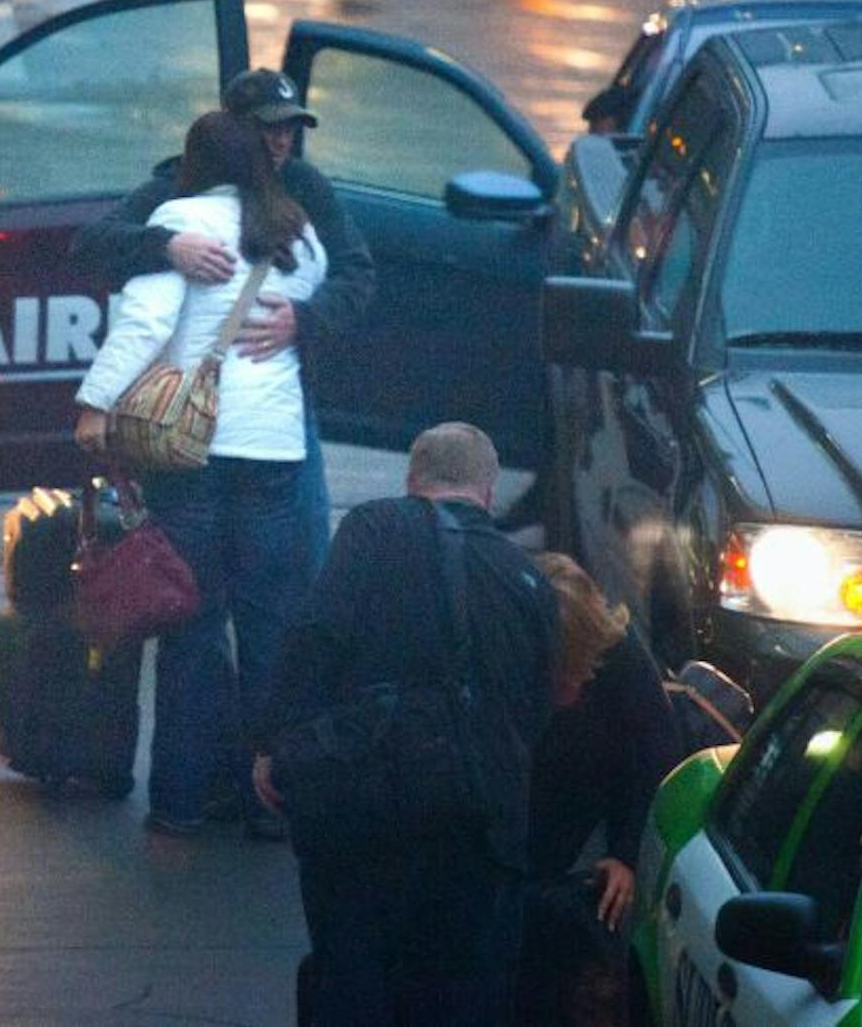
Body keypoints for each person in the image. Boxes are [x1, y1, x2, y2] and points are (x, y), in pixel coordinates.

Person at [73, 110, 328, 838]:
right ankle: (272, 805)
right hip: (276, 451)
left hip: (196, 449)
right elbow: (307, 300)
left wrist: (95, 403)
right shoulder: (299, 233)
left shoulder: (182, 217)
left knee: (190, 618)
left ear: (192, 160)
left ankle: (182, 801)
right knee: (271, 625)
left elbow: (146, 325)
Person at [253, 422, 558, 1027]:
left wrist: (271, 745)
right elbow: (535, 709)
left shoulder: (373, 528)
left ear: (412, 479)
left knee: (353, 971)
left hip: (367, 807)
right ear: (488, 493)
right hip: (477, 820)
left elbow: (315, 640)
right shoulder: (528, 579)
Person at [69, 67, 374, 575]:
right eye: (268, 127)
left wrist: (305, 318)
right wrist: (166, 245)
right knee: (203, 579)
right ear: (232, 129)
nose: (281, 139)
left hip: (280, 403)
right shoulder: (176, 187)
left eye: (290, 127)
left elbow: (355, 273)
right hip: (189, 414)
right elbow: (92, 244)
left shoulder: (303, 185)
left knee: (298, 559)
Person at [520, 552, 684, 1026]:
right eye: (559, 678)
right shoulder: (502, 657)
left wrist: (626, 855)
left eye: (577, 676)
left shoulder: (621, 658)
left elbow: (654, 758)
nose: (568, 690)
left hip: (587, 812)